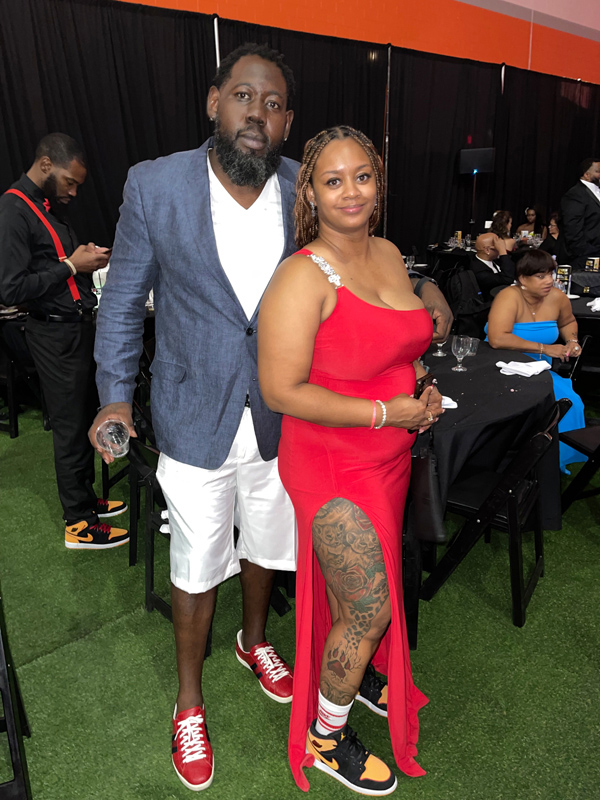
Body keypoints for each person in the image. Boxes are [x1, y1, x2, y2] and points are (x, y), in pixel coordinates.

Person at [90, 43, 300, 792]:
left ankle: (253, 640)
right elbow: (123, 300)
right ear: (214, 102)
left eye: (273, 104)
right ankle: (188, 701)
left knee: (268, 540)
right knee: (197, 560)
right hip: (190, 408)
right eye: (244, 96)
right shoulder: (155, 185)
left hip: (280, 409)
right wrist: (115, 393)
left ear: (287, 123)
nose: (257, 113)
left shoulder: (304, 187)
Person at [258, 125, 443, 796]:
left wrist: (420, 387)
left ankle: (357, 677)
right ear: (310, 192)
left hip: (390, 457)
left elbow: (395, 346)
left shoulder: (388, 253)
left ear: (378, 181)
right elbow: (282, 391)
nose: (350, 192)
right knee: (369, 607)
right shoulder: (301, 275)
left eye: (361, 176)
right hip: (332, 463)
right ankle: (326, 736)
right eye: (332, 181)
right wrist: (386, 414)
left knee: (353, 599)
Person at [0, 133, 128, 548]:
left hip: (74, 328)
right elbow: (10, 289)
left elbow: (50, 266)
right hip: (53, 334)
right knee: (70, 427)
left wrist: (80, 259)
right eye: (69, 182)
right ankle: (78, 522)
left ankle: (86, 500)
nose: (73, 192)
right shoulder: (13, 210)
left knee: (82, 419)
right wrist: (72, 265)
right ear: (45, 165)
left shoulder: (42, 208)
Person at [486, 248, 586, 472]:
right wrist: (546, 348)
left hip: (538, 369)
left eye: (551, 274)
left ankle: (554, 459)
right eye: (541, 276)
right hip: (502, 365)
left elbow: (567, 322)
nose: (549, 280)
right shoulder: (508, 297)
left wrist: (572, 340)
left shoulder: (557, 297)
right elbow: (497, 339)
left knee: (570, 402)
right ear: (523, 279)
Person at [560, 158, 600, 270]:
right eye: (598, 171)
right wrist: (587, 251)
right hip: (585, 257)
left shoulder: (597, 191)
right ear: (587, 175)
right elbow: (572, 228)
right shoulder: (576, 194)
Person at [471, 232, 516, 301]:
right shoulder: (480, 271)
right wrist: (502, 251)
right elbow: (508, 279)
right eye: (497, 246)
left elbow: (512, 270)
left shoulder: (494, 260)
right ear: (487, 250)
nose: (501, 247)